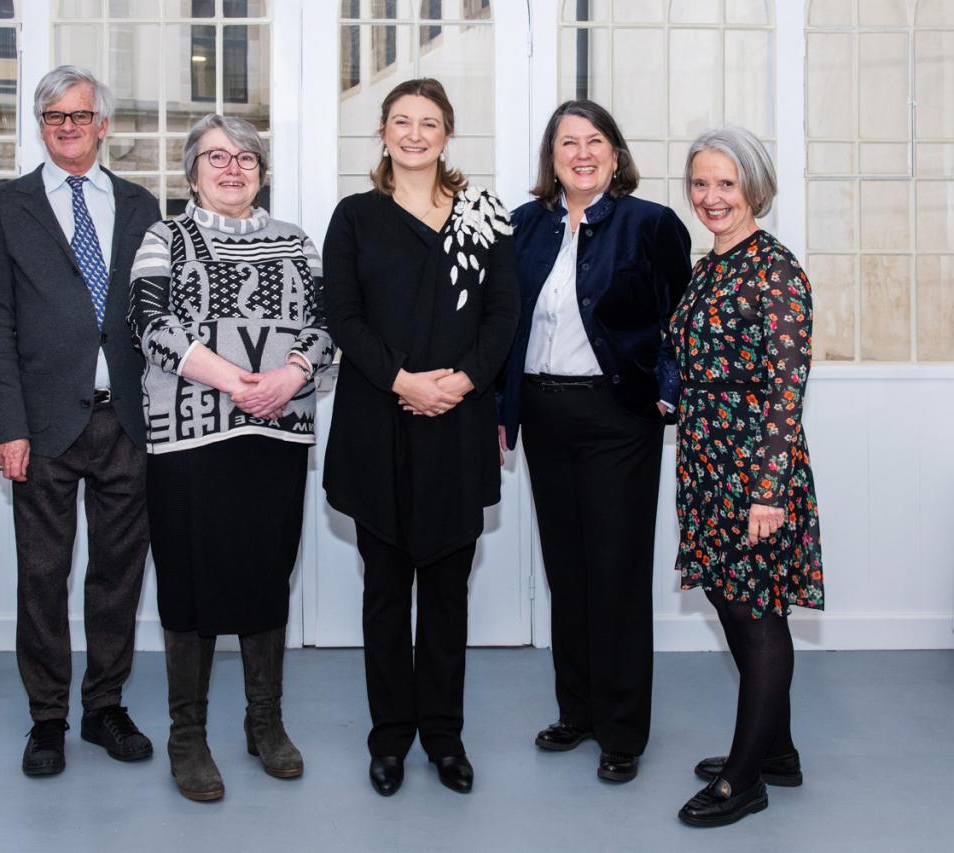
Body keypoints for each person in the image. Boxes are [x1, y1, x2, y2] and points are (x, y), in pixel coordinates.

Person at [322, 78, 519, 797]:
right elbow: (342, 315)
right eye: (401, 121)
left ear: (446, 134)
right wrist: (404, 380)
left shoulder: (483, 215)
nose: (414, 134)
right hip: (378, 422)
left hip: (458, 427)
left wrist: (461, 383)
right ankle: (390, 737)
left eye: (428, 122)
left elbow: (504, 314)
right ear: (381, 132)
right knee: (384, 591)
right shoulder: (354, 217)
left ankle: (444, 735)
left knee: (446, 592)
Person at [129, 113, 334, 802]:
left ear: (262, 171)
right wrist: (234, 381)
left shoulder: (298, 241)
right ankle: (188, 736)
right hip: (189, 437)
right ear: (192, 172)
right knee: (188, 584)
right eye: (215, 156)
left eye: (246, 156)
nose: (232, 166)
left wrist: (290, 375)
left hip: (277, 434)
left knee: (265, 575)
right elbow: (151, 325)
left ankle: (264, 723)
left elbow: (327, 324)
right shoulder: (166, 236)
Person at [498, 99, 691, 784]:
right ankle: (576, 709)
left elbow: (680, 319)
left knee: (615, 572)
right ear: (552, 158)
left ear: (615, 153)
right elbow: (505, 326)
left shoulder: (651, 224)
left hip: (618, 418)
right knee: (568, 571)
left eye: (595, 141)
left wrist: (666, 387)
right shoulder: (522, 227)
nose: (581, 153)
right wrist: (504, 405)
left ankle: (621, 729)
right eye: (567, 143)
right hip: (545, 414)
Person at [0, 65, 161, 777]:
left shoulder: (141, 204)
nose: (67, 126)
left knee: (118, 572)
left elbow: (159, 314)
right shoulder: (7, 206)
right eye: (53, 115)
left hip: (129, 421)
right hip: (43, 423)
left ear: (102, 124)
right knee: (44, 574)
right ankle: (47, 717)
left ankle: (104, 705)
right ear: (40, 123)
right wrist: (6, 424)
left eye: (79, 115)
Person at [673, 126, 824, 827]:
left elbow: (786, 387)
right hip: (707, 459)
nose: (711, 197)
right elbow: (699, 361)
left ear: (753, 187)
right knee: (735, 604)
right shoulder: (709, 267)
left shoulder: (777, 270)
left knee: (758, 614)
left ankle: (745, 777)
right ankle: (779, 750)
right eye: (701, 183)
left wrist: (768, 490)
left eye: (726, 184)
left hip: (753, 466)